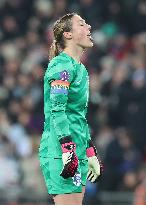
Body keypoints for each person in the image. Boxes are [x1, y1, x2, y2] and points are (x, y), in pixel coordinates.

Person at [39, 13, 101, 205]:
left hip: (78, 149)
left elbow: (79, 116)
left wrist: (90, 151)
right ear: (68, 35)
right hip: (61, 149)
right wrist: (67, 148)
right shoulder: (61, 66)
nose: (89, 27)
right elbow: (57, 111)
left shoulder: (81, 69)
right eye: (81, 24)